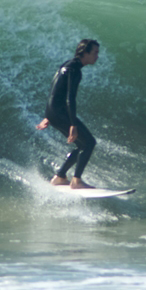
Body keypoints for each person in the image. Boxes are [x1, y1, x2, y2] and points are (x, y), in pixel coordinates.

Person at [36, 39, 100, 189]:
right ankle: (76, 181)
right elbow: (70, 99)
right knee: (89, 143)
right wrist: (73, 124)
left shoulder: (67, 64)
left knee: (82, 144)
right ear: (85, 53)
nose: (97, 56)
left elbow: (54, 89)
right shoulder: (75, 71)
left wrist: (48, 115)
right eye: (95, 52)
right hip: (60, 112)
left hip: (53, 111)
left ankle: (60, 177)